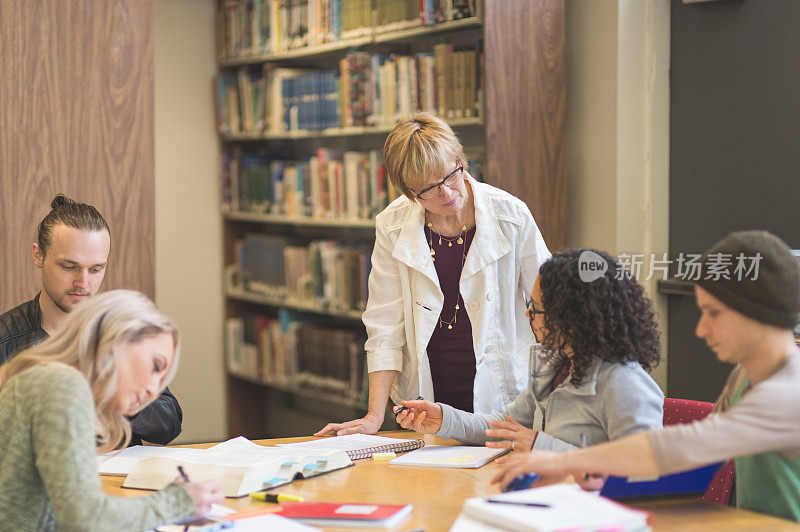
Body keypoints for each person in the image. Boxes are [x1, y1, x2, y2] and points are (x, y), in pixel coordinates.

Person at [493, 231, 800, 522]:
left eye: (714, 313)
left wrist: (563, 461)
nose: (701, 329)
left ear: (757, 313)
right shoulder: (744, 374)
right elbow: (695, 465)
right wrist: (604, 473)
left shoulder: (787, 394)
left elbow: (685, 446)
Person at [316, 112, 551, 436]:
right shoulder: (392, 225)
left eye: (452, 175)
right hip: (428, 401)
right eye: (429, 189)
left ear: (460, 159)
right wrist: (373, 416)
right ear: (410, 193)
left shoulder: (511, 216)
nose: (448, 193)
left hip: (505, 395)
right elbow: (384, 324)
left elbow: (551, 306)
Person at [394, 249, 664, 453]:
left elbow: (642, 468)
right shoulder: (555, 365)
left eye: (535, 308)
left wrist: (540, 445)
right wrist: (443, 418)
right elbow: (503, 425)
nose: (528, 314)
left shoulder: (624, 382)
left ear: (571, 318)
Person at [0, 290, 222, 530]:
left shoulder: (40, 378)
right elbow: (88, 519)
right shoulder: (62, 386)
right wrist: (178, 501)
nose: (153, 391)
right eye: (155, 366)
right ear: (118, 339)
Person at [0, 194, 182, 445]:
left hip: (115, 479)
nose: (83, 283)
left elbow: (170, 422)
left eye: (96, 269)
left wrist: (125, 401)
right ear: (38, 255)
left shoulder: (122, 333)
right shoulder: (5, 339)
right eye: (68, 266)